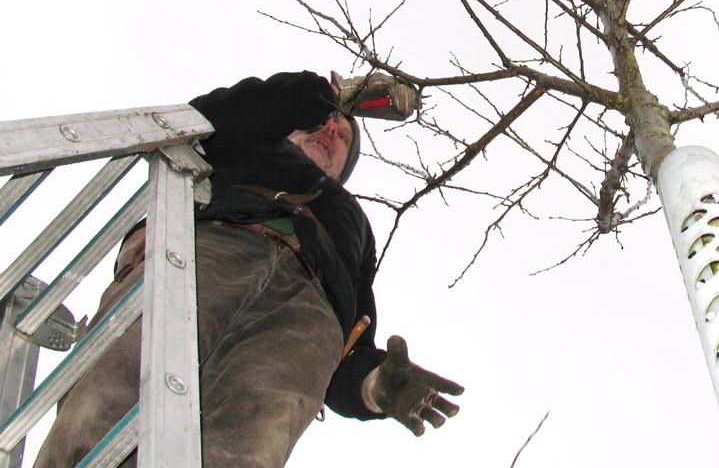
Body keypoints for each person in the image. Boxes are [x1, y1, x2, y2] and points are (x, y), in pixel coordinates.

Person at [33, 70, 462, 468]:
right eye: (324, 123)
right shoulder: (241, 145)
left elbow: (356, 330)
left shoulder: (354, 224)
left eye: (343, 136)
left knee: (253, 440)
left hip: (309, 315)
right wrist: (332, 96)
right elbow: (210, 114)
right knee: (112, 396)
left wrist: (374, 384)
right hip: (211, 246)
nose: (333, 129)